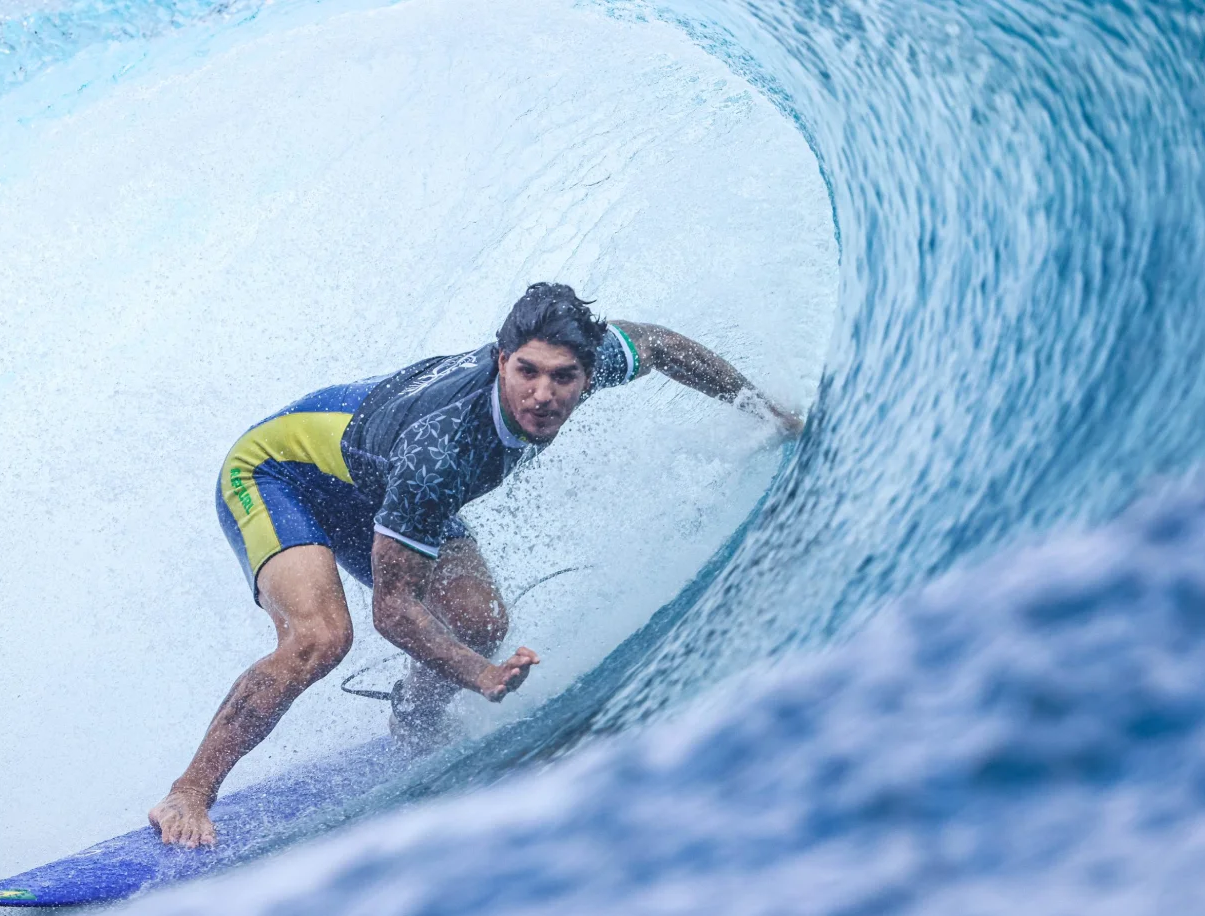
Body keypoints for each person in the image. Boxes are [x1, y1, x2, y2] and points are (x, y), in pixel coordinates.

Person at [149, 283, 802, 847]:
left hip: (377, 479)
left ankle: (413, 721)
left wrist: (766, 412)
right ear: (501, 361)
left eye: (562, 378)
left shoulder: (591, 361)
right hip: (279, 474)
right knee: (321, 638)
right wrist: (482, 678)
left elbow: (660, 347)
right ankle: (189, 792)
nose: (544, 394)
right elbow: (393, 612)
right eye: (526, 373)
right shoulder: (444, 448)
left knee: (479, 619)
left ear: (586, 373)